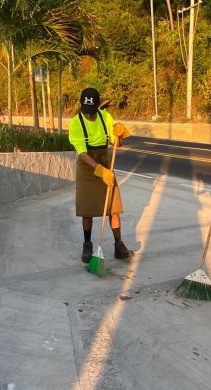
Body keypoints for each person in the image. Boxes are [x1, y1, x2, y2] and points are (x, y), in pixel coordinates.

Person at [68, 87, 134, 263]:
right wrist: (99, 170)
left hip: (105, 160)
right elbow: (82, 153)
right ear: (82, 105)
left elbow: (116, 144)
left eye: (92, 111)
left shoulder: (105, 117)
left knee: (114, 208)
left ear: (97, 106)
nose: (89, 115)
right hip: (87, 166)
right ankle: (87, 244)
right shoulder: (76, 123)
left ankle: (118, 245)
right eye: (86, 111)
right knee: (87, 209)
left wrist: (119, 135)